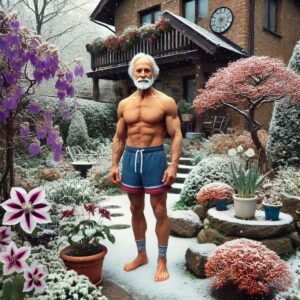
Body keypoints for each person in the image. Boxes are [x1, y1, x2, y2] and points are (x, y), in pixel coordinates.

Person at [109, 52, 182, 282]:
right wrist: (114, 164)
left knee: (159, 210)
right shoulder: (125, 104)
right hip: (131, 158)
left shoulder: (165, 102)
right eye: (139, 70)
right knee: (134, 209)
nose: (143, 74)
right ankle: (142, 255)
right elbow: (119, 137)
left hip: (154, 157)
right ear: (133, 74)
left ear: (153, 73)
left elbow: (176, 134)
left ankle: (162, 260)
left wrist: (174, 165)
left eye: (147, 70)